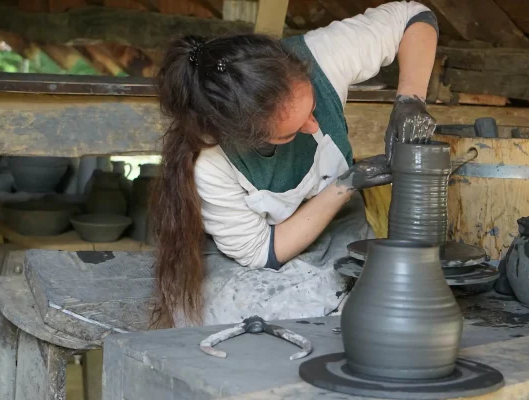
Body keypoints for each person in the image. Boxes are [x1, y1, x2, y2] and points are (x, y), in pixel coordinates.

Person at [150, 1, 439, 328]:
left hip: (339, 231)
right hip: (255, 262)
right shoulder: (211, 162)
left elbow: (413, 16)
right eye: (290, 133)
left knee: (381, 302)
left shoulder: (322, 56)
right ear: (244, 136)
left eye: (312, 107)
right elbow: (262, 252)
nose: (314, 128)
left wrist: (410, 100)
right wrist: (345, 185)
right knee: (242, 317)